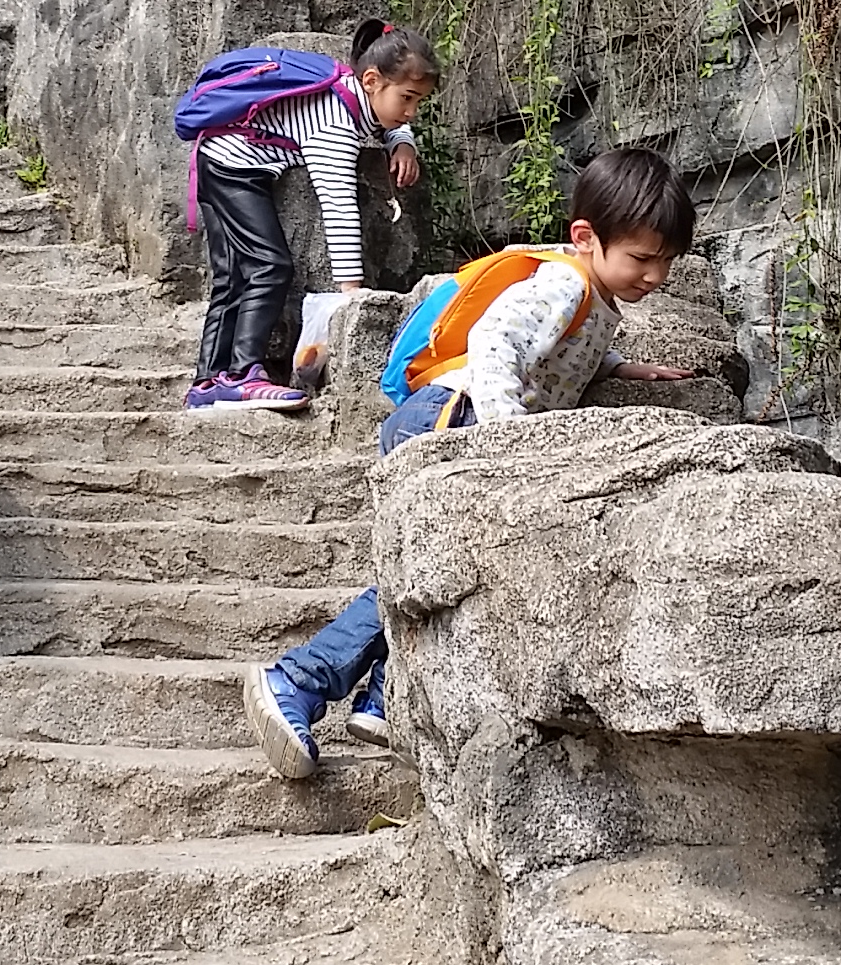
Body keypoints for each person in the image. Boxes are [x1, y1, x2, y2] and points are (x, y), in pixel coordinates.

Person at [242, 146, 699, 778]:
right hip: (452, 417)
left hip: (459, 420)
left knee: (443, 567)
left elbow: (556, 351)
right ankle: (296, 680)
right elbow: (495, 340)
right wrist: (507, 440)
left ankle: (383, 694)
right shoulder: (566, 282)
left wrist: (622, 368)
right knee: (424, 567)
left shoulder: (592, 295)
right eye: (643, 258)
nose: (655, 275)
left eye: (666, 261)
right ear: (586, 236)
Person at [182, 17, 438, 411]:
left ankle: (207, 383)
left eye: (419, 101)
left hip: (218, 156)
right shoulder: (333, 123)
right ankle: (241, 375)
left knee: (233, 275)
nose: (412, 111)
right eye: (407, 98)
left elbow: (384, 123)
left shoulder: (350, 95)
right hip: (233, 167)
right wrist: (352, 292)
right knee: (269, 266)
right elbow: (337, 205)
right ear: (371, 81)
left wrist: (402, 140)